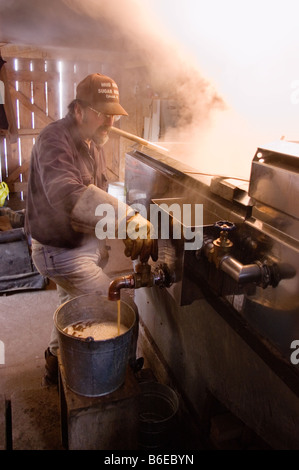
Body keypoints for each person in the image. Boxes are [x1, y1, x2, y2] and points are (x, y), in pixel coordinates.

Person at [25, 73, 157, 385]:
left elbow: (95, 195)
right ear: (80, 110)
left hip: (77, 246)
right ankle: (122, 377)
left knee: (70, 304)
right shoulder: (53, 141)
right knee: (120, 308)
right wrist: (126, 218)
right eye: (104, 114)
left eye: (114, 114)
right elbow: (68, 194)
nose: (111, 121)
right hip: (60, 251)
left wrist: (109, 234)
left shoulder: (90, 141)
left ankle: (54, 360)